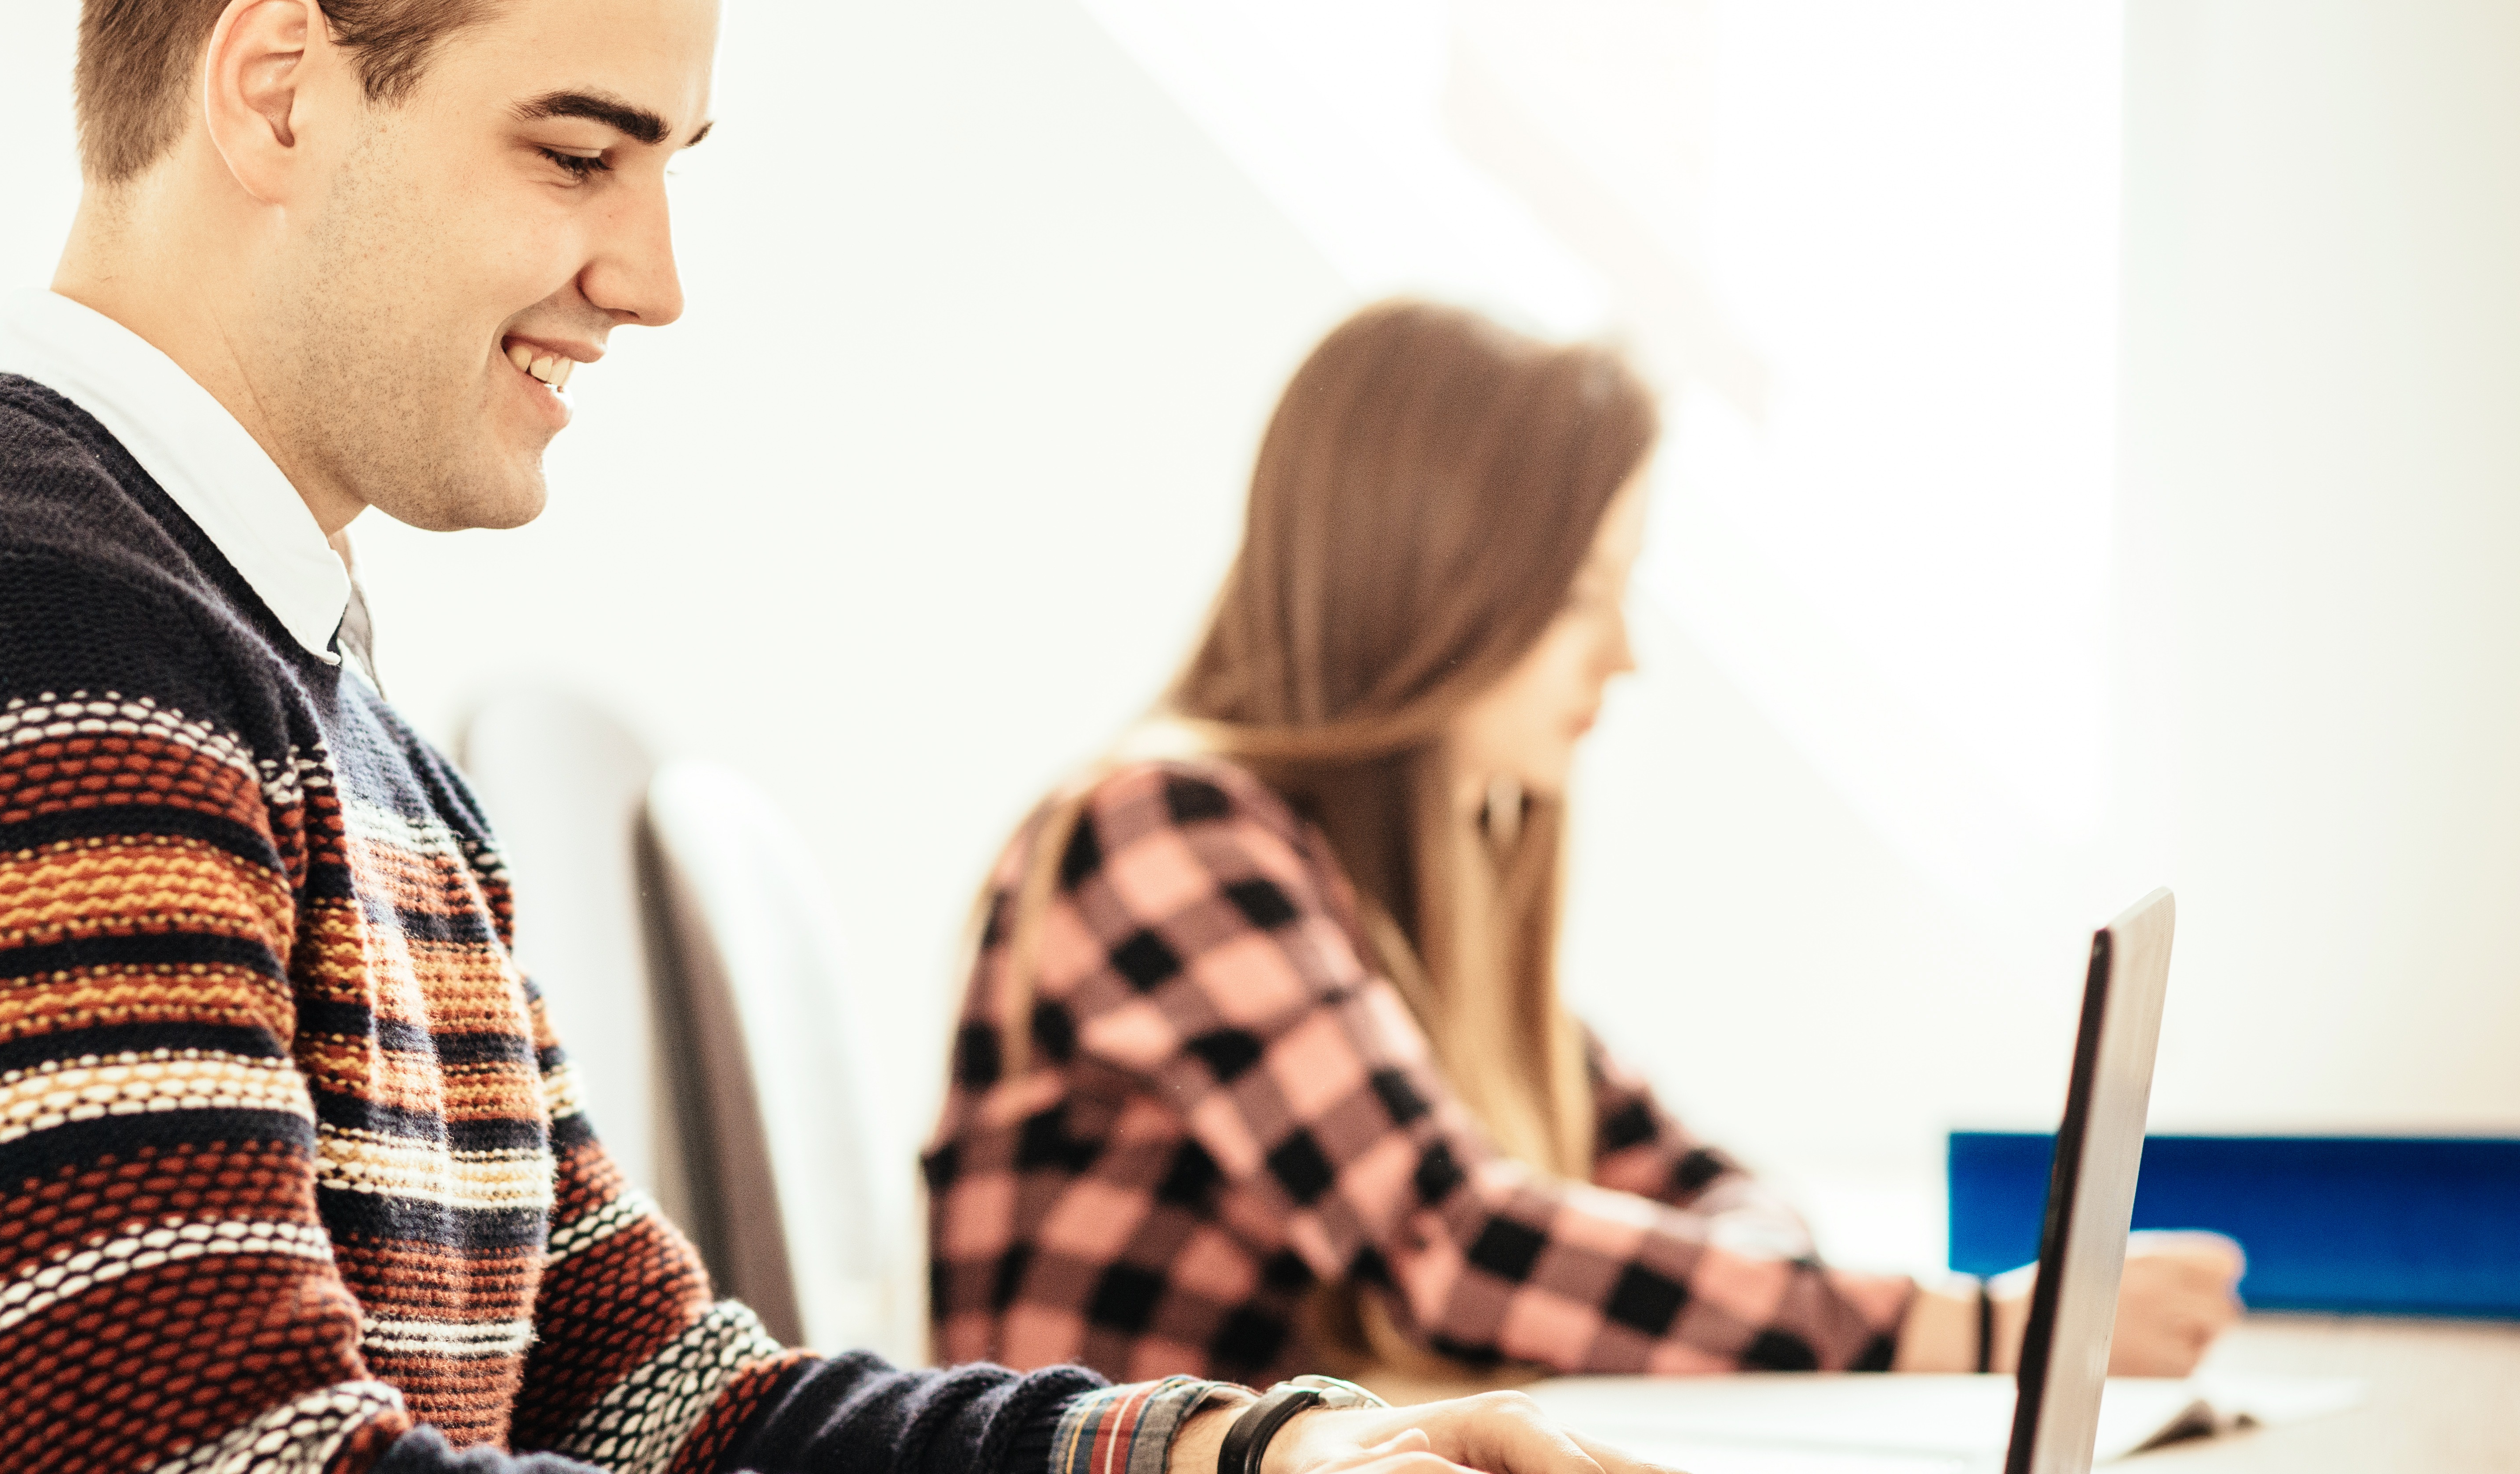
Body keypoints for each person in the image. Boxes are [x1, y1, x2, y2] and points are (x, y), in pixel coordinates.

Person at [0, 6, 1678, 1474]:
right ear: (275, 90)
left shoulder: (306, 716)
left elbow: (686, 1415)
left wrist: (1269, 1453)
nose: (650, 278)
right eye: (579, 151)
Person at [923, 300, 2245, 1388]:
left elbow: (1697, 1186)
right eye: (1581, 597)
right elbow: (1455, 1249)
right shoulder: (1160, 834)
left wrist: (1762, 1276)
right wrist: (1985, 1333)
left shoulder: (1397, 898)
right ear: (1429, 582)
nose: (1623, 655)